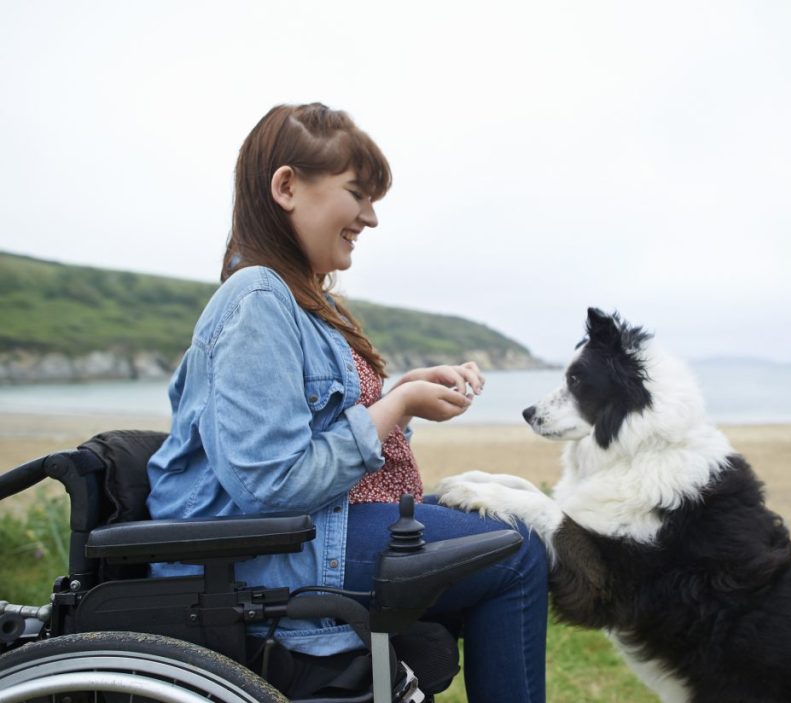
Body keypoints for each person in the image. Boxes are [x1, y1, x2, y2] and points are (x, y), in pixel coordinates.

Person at [146, 103, 548, 702]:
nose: (371, 217)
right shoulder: (257, 298)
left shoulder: (301, 301)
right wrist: (398, 405)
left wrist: (404, 393)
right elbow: (273, 483)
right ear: (287, 186)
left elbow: (318, 440)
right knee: (516, 556)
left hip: (303, 532)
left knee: (496, 517)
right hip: (258, 557)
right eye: (357, 193)